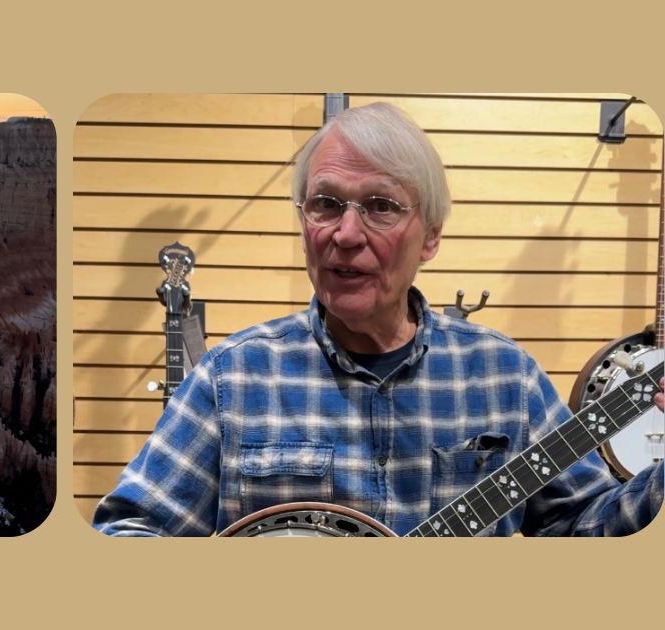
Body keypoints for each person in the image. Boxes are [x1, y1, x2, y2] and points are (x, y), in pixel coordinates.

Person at [92, 103, 663, 537]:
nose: (345, 234)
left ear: (431, 236)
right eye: (325, 203)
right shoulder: (232, 379)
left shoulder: (505, 376)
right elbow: (128, 530)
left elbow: (586, 524)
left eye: (381, 207)